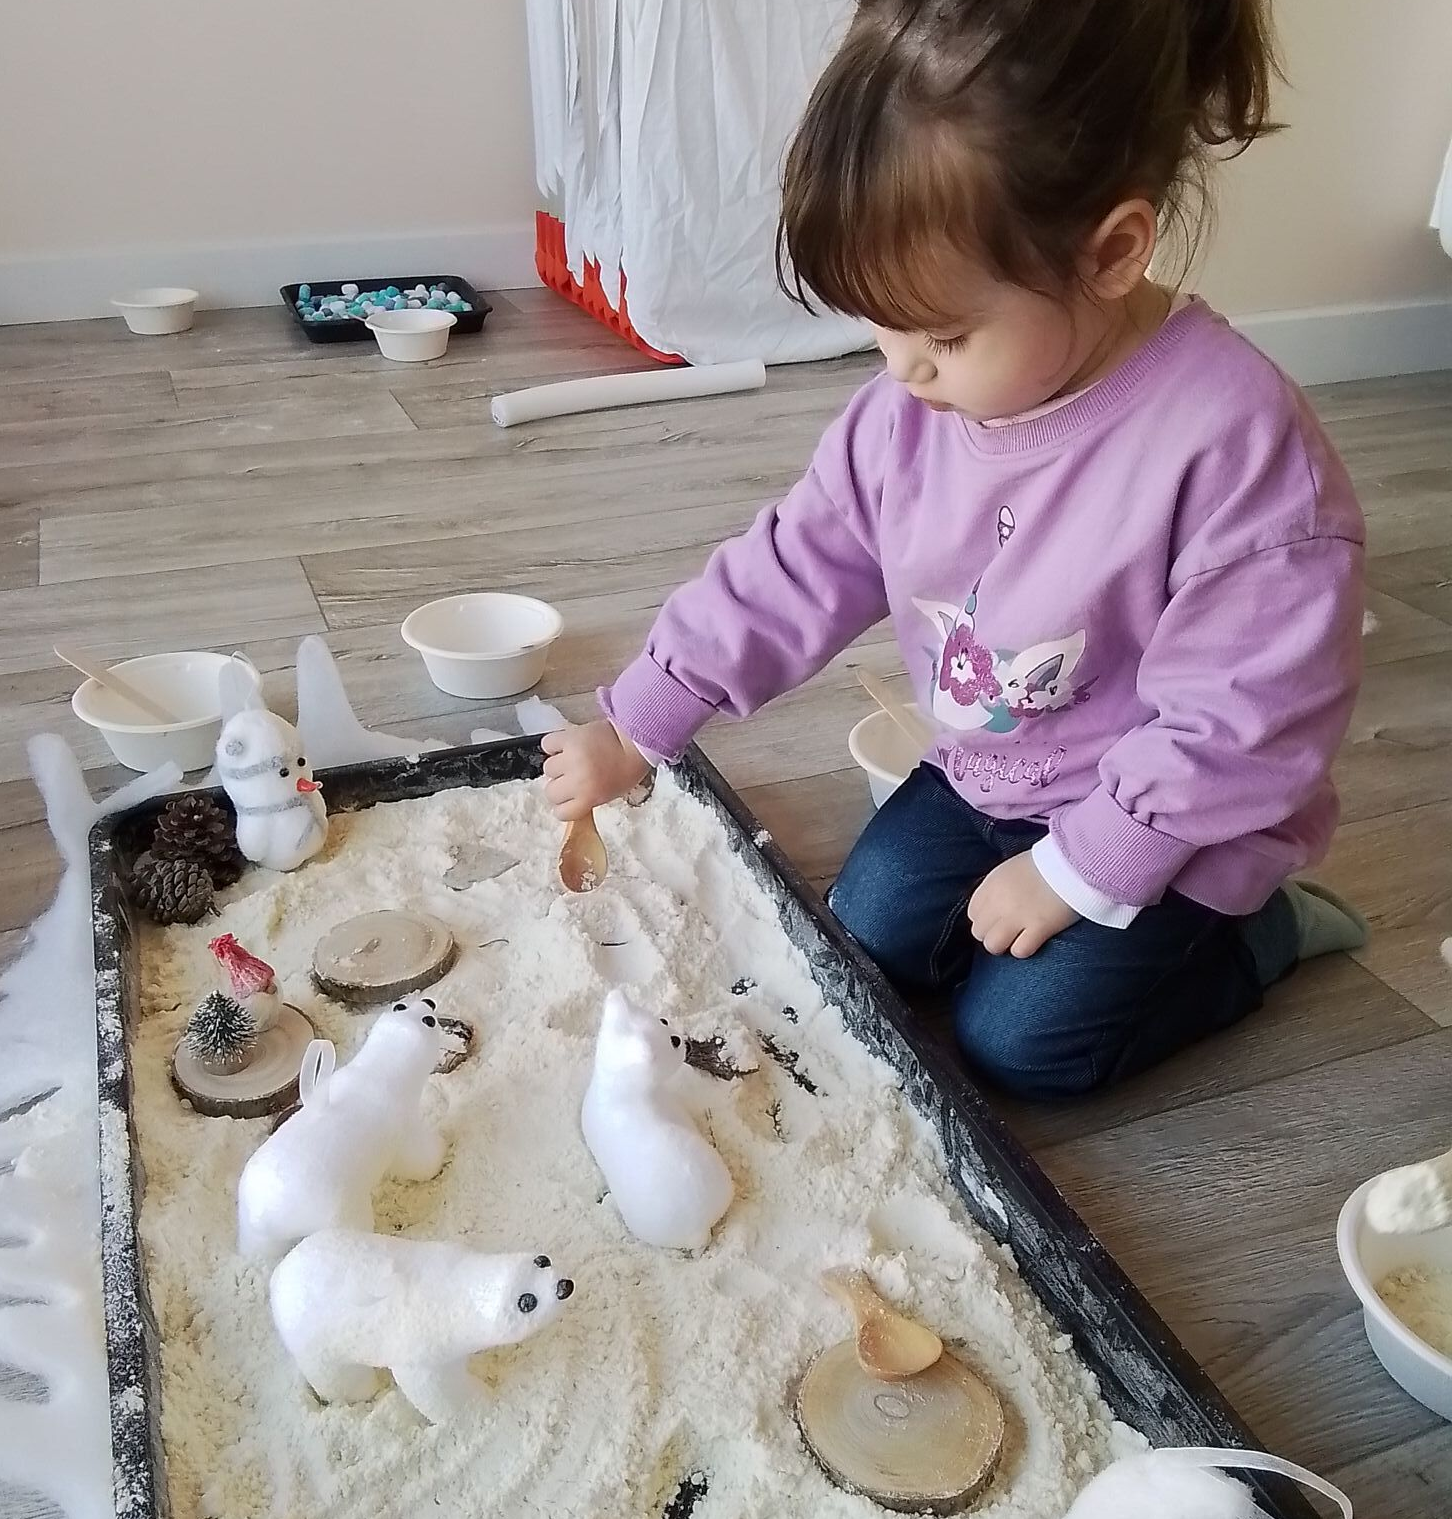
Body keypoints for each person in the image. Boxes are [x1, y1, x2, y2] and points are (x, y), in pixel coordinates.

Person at [541, 0, 1369, 1100]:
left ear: (1112, 252)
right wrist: (640, 724)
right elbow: (794, 565)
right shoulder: (911, 414)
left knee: (1017, 1044)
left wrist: (1078, 869)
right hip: (990, 772)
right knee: (864, 943)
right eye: (877, 329)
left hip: (1172, 828)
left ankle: (1257, 937)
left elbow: (1244, 722)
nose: (902, 374)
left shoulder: (1235, 446)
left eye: (942, 335)